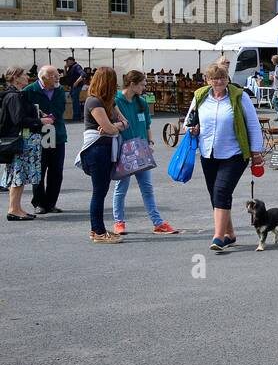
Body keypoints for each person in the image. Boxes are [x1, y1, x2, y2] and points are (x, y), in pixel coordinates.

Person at [184, 63, 265, 252]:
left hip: (234, 153)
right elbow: (189, 121)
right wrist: (191, 129)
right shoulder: (200, 96)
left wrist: (256, 152)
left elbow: (253, 125)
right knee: (216, 194)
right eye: (214, 78)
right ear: (208, 80)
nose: (218, 81)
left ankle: (218, 237)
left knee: (221, 191)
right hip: (208, 152)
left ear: (227, 79)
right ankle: (230, 235)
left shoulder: (239, 96)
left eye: (222, 77)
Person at [112, 70, 178, 235]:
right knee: (121, 187)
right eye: (142, 84)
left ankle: (157, 222)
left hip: (141, 149)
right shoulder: (116, 101)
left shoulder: (141, 102)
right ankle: (119, 222)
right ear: (132, 84)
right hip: (124, 150)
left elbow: (147, 125)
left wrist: (150, 142)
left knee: (147, 187)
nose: (144, 87)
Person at [75, 67, 128, 244]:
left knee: (102, 190)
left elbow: (123, 124)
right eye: (114, 81)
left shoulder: (109, 102)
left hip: (106, 148)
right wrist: (114, 127)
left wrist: (114, 127)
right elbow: (110, 128)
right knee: (99, 192)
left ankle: (99, 229)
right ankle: (97, 231)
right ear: (108, 83)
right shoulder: (94, 102)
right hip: (96, 149)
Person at [2, 66, 54, 221]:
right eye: (24, 74)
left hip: (23, 140)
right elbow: (19, 120)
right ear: (16, 78)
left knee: (20, 175)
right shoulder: (14, 96)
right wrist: (40, 121)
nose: (27, 76)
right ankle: (13, 209)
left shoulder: (17, 95)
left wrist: (37, 113)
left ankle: (16, 208)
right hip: (21, 141)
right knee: (18, 174)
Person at [24, 64, 67, 214]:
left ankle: (51, 203)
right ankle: (39, 202)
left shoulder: (60, 90)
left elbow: (60, 108)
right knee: (39, 170)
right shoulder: (29, 90)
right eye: (54, 76)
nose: (57, 78)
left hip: (58, 134)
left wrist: (51, 117)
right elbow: (24, 111)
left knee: (57, 171)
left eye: (57, 75)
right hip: (38, 136)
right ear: (43, 78)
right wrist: (39, 118)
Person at [63, 56, 87, 121]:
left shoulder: (76, 66)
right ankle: (77, 117)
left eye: (67, 61)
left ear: (71, 61)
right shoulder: (70, 68)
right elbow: (65, 76)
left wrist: (76, 82)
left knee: (75, 102)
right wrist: (65, 68)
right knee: (75, 102)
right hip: (73, 87)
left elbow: (83, 75)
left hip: (77, 86)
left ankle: (76, 118)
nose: (66, 63)